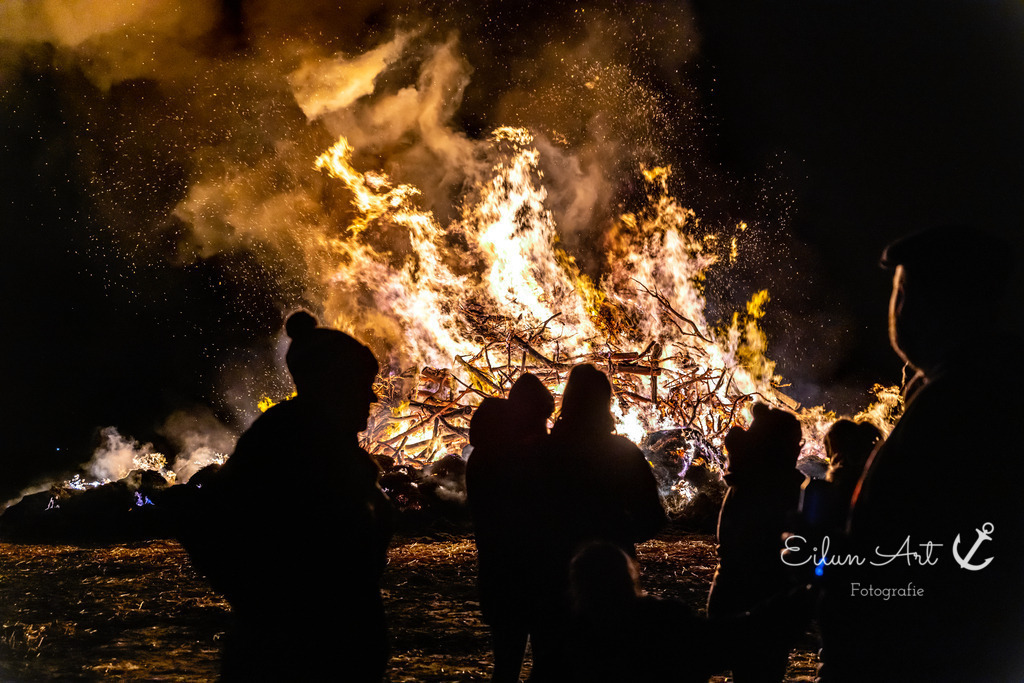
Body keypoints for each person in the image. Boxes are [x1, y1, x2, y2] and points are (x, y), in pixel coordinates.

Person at [818, 226, 1024, 682]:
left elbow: (911, 550)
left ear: (920, 303)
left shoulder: (960, 404)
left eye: (900, 294)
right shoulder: (982, 386)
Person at [180, 311, 392, 681]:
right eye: (362, 384)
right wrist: (265, 607)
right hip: (292, 657)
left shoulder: (331, 444)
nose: (372, 396)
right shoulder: (284, 444)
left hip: (339, 649)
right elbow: (208, 523)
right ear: (334, 386)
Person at [529, 364, 667, 681]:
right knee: (610, 662)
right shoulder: (622, 452)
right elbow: (652, 517)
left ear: (567, 400)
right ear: (605, 403)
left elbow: (523, 511)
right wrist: (616, 538)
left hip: (551, 575)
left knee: (553, 665)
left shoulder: (543, 451)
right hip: (610, 581)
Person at [465, 373, 555, 683]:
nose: (546, 427)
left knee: (506, 664)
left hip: (497, 576)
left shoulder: (486, 454)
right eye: (543, 419)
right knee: (544, 664)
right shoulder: (522, 458)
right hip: (534, 579)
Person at [707, 402, 805, 683]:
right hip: (763, 603)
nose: (799, 450)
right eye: (796, 444)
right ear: (783, 447)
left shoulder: (744, 476)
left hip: (730, 595)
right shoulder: (780, 488)